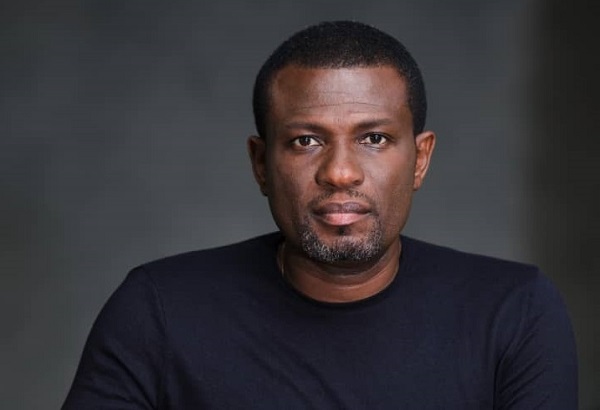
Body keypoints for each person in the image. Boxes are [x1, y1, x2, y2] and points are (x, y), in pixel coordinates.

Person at [62, 21, 577, 409]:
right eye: (306, 141)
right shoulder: (160, 309)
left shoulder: (512, 311)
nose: (340, 173)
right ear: (261, 164)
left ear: (419, 159)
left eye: (374, 139)